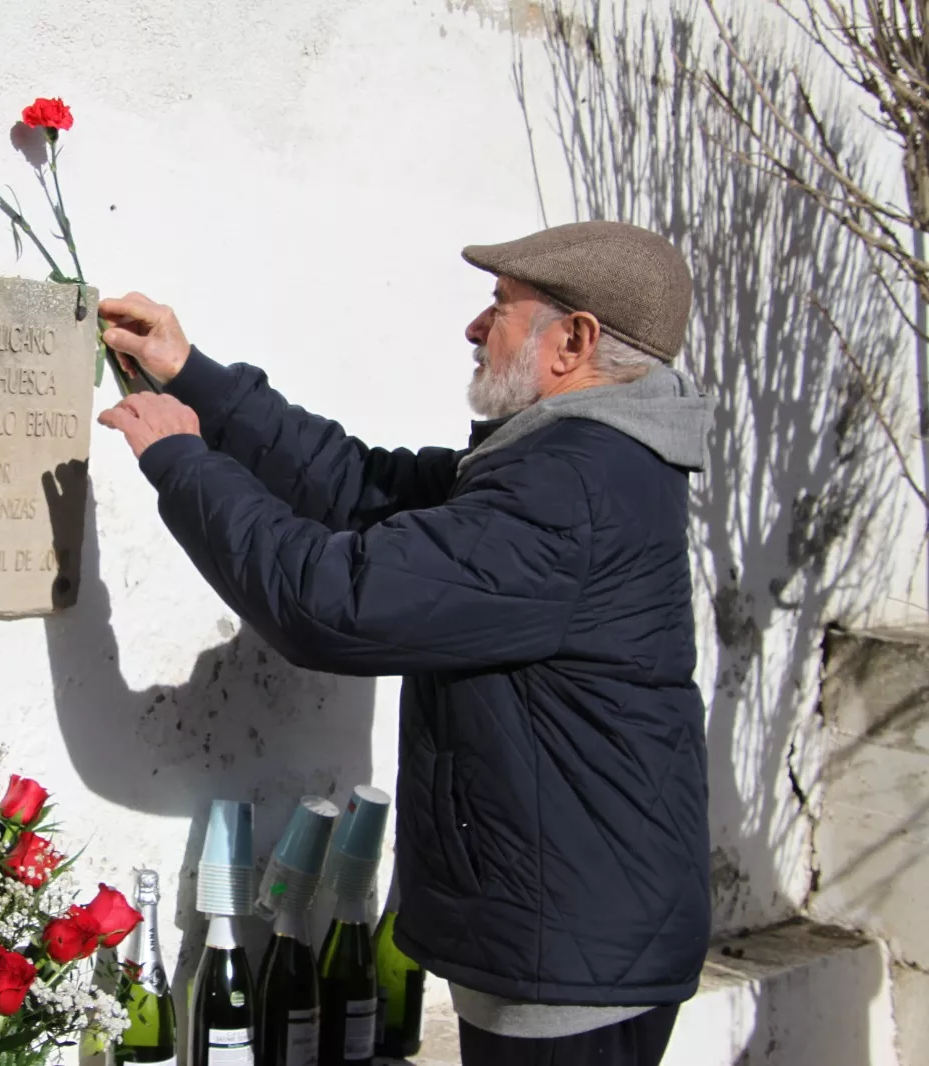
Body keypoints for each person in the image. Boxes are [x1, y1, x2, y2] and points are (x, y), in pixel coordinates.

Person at [95, 220, 712, 1066]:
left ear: (574, 340)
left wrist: (182, 460)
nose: (473, 327)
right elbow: (362, 488)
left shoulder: (573, 488)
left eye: (498, 306)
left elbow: (334, 604)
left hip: (568, 958)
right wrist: (191, 376)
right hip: (570, 932)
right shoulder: (566, 464)